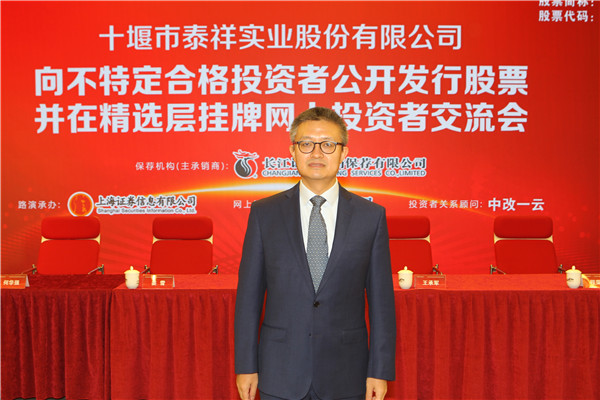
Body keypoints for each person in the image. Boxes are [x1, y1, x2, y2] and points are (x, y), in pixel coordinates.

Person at [234, 107, 396, 400]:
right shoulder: (264, 214)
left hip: (347, 372)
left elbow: (381, 303)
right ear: (293, 151)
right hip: (280, 371)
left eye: (328, 145)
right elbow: (248, 298)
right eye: (306, 144)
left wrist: (380, 370)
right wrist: (246, 366)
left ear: (344, 153)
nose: (317, 153)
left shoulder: (370, 217)